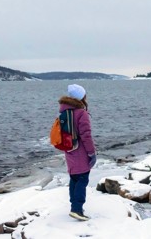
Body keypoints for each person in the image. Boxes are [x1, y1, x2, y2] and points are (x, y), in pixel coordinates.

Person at [58, 84, 97, 221]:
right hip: (80, 151)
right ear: (81, 97)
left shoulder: (64, 112)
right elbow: (86, 135)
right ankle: (77, 209)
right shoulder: (81, 113)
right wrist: (92, 153)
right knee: (82, 179)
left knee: (74, 178)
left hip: (69, 149)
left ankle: (74, 206)